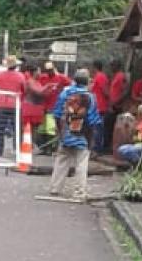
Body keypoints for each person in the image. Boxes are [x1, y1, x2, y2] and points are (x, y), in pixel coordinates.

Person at [46, 69, 101, 202]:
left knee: (61, 160)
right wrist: (92, 138)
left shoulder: (65, 93)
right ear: (87, 81)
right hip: (83, 135)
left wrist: (60, 133)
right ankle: (79, 192)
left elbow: (57, 113)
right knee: (81, 163)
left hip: (66, 133)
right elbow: (93, 120)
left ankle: (55, 188)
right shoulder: (90, 97)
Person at [0, 55, 26, 158]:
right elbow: (24, 89)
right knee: (17, 129)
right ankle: (16, 150)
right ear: (16, 66)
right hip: (15, 104)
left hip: (1, 103)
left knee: (0, 130)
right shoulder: (20, 76)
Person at [36, 62, 71, 154]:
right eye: (47, 70)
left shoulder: (61, 78)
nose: (49, 72)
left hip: (55, 107)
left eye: (50, 70)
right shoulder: (43, 77)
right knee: (42, 129)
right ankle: (44, 148)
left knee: (51, 129)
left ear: (54, 69)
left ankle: (50, 149)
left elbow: (70, 86)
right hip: (43, 107)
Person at [20, 63, 48, 147]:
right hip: (30, 108)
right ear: (34, 72)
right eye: (39, 71)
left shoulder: (36, 82)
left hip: (36, 108)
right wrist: (47, 87)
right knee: (28, 128)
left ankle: (30, 144)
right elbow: (38, 92)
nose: (40, 73)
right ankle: (26, 144)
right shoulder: (30, 81)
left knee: (34, 128)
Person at [90, 60, 111, 153]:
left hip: (100, 107)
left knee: (98, 128)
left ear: (95, 67)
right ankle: (96, 148)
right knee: (96, 128)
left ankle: (98, 149)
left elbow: (105, 91)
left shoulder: (100, 76)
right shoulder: (97, 77)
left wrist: (109, 101)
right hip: (96, 107)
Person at [107, 59, 128, 150]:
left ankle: (111, 147)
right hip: (112, 105)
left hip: (117, 106)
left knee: (111, 126)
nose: (111, 68)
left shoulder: (121, 76)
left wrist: (116, 102)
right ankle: (110, 147)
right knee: (109, 126)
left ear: (117, 66)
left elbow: (125, 91)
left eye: (112, 66)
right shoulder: (115, 76)